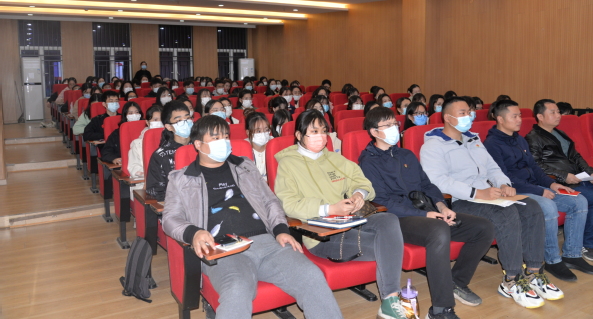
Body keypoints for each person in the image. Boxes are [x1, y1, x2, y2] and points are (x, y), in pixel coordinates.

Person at [162, 115, 343, 319]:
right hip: (223, 249)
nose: (223, 142)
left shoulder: (245, 167)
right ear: (198, 144)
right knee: (237, 288)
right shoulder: (182, 179)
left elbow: (270, 201)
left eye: (226, 137)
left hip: (267, 242)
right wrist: (193, 233)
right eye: (215, 138)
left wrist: (280, 230)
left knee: (311, 275)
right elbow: (170, 218)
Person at [420, 97, 562, 309]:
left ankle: (533, 272)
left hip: (490, 195)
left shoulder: (473, 140)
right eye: (462, 113)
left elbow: (493, 168)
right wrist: (477, 192)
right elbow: (438, 181)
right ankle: (511, 280)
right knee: (507, 214)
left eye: (469, 112)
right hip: (462, 200)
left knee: (532, 207)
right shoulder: (433, 146)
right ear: (448, 118)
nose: (468, 116)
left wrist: (504, 184)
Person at [360, 107, 495, 319]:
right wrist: (425, 215)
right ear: (374, 132)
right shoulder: (368, 161)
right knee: (438, 229)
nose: (394, 128)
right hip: (398, 219)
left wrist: (442, 206)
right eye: (387, 125)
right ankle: (441, 309)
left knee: (483, 227)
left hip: (427, 212)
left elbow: (427, 185)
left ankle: (456, 282)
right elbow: (384, 201)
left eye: (395, 124)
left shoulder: (406, 154)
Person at [274, 110, 406, 319]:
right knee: (390, 245)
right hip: (322, 235)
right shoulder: (288, 164)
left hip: (349, 221)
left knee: (389, 220)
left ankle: (389, 301)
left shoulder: (334, 158)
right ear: (299, 135)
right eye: (314, 131)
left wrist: (359, 195)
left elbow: (361, 181)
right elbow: (288, 204)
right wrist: (329, 209)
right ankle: (391, 300)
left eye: (323, 131)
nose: (321, 136)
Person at [484, 99, 593, 281]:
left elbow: (535, 168)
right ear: (500, 119)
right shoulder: (492, 144)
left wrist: (551, 184)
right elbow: (505, 178)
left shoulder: (519, 139)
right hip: (514, 191)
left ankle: (572, 255)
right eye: (514, 116)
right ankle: (552, 260)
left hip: (535, 186)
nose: (520, 120)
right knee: (548, 206)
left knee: (579, 201)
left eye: (520, 115)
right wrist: (539, 190)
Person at [526, 99, 593, 262]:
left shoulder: (560, 133)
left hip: (577, 178)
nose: (558, 115)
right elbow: (536, 165)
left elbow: (576, 156)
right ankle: (588, 244)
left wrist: (591, 173)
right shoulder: (533, 137)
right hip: (560, 183)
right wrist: (563, 176)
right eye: (552, 112)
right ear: (540, 117)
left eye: (558, 112)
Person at [146, 101, 192, 201]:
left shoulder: (202, 147)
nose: (185, 122)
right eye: (179, 120)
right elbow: (155, 190)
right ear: (169, 126)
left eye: (187, 118)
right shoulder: (161, 155)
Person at [128, 104, 163, 194]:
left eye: (162, 119)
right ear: (147, 122)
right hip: (144, 183)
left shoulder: (173, 141)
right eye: (155, 120)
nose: (159, 122)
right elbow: (134, 168)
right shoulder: (137, 143)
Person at [100, 101, 143, 165]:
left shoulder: (146, 130)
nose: (134, 115)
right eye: (130, 113)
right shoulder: (117, 133)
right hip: (125, 164)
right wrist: (114, 159)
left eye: (137, 112)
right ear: (125, 116)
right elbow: (106, 152)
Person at [245, 112, 272, 183]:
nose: (263, 134)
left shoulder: (274, 145)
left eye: (266, 130)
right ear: (248, 132)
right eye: (258, 131)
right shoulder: (243, 148)